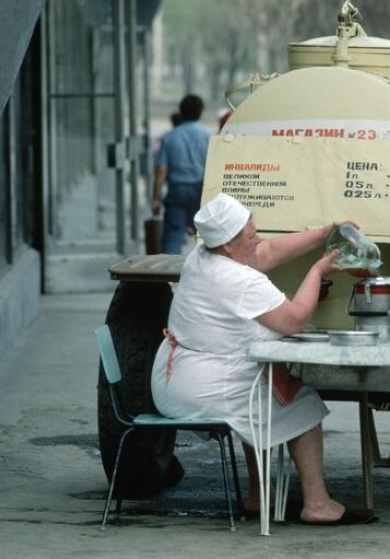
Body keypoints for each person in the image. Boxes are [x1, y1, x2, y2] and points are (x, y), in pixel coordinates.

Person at [150, 193, 374, 526]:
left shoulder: (200, 257)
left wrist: (325, 231)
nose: (259, 240)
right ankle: (318, 504)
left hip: (173, 380)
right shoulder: (240, 280)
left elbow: (267, 252)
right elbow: (295, 319)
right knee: (303, 402)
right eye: (250, 236)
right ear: (228, 246)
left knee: (258, 401)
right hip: (203, 388)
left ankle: (259, 497)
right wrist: (316, 271)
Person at [151, 94, 212, 254]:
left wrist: (156, 198)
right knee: (205, 236)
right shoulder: (209, 137)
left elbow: (161, 170)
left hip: (177, 190)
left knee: (173, 235)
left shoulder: (170, 137)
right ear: (201, 112)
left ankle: (170, 275)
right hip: (201, 191)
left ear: (181, 112)